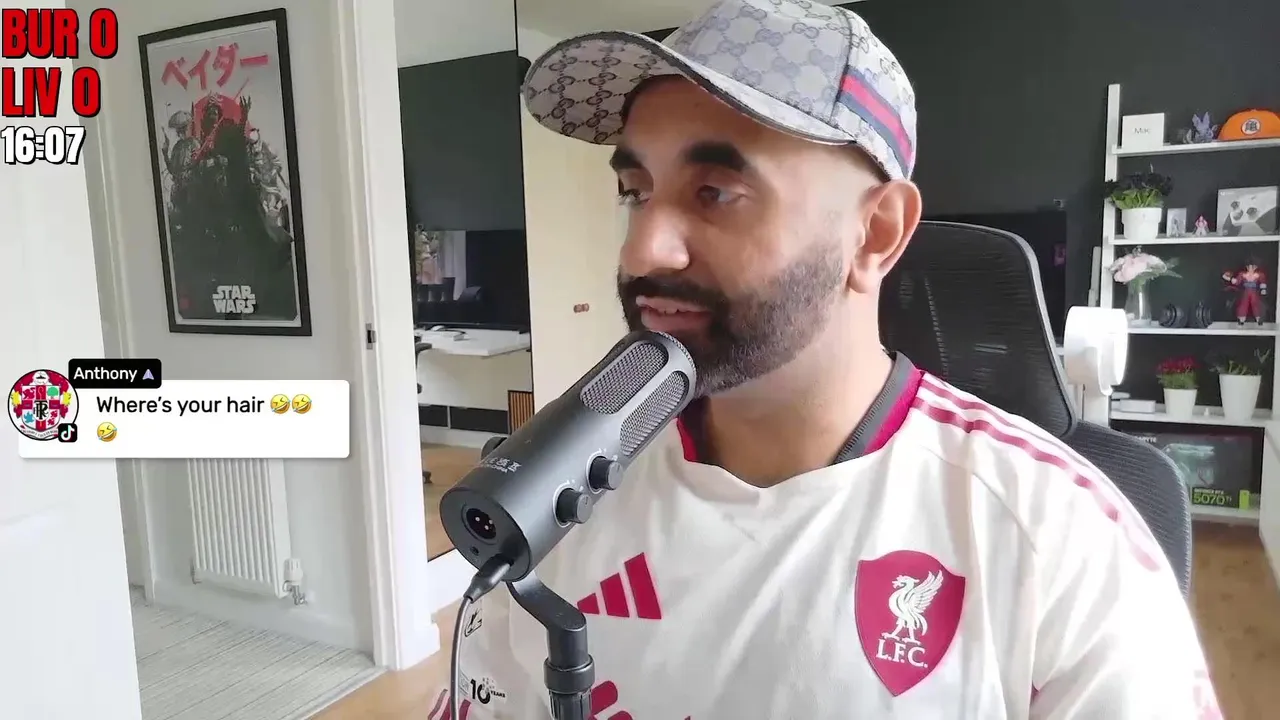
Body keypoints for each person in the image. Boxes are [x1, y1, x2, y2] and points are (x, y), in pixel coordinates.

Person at [429, 1, 1220, 717]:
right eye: (636, 191)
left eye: (715, 192)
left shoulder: (1062, 540)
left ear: (876, 234)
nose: (641, 251)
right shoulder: (563, 495)